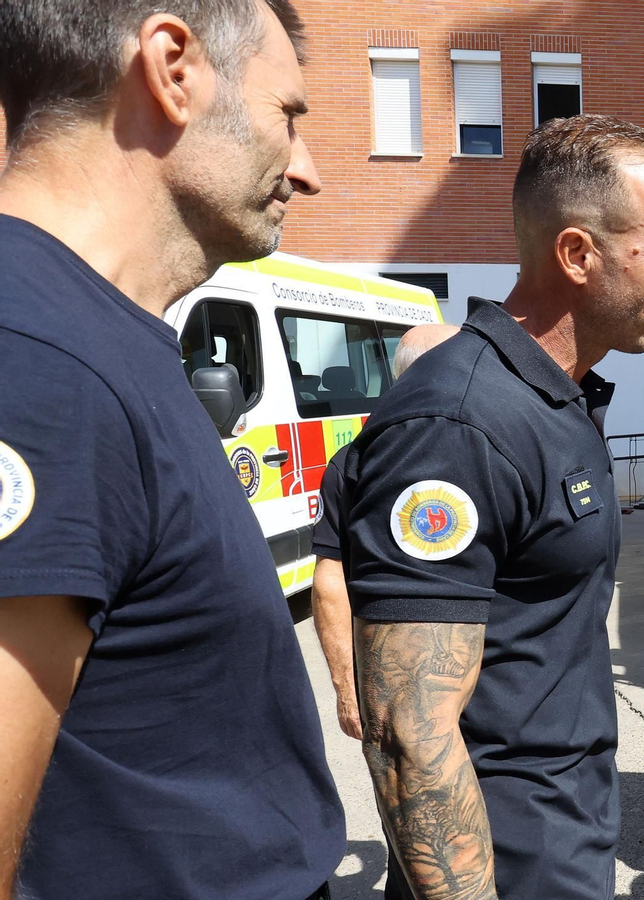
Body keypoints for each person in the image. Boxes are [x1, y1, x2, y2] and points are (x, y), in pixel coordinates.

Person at [0, 2, 345, 898]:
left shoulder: (91, 337)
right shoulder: (34, 364)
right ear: (173, 68)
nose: (306, 172)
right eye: (289, 116)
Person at [344, 114, 644, 899]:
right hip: (504, 862)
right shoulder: (458, 422)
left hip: (567, 834)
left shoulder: (555, 399)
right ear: (577, 253)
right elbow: (411, 735)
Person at [310, 323, 458, 740]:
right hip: (399, 688)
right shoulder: (354, 464)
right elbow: (332, 577)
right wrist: (346, 689)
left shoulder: (496, 446)